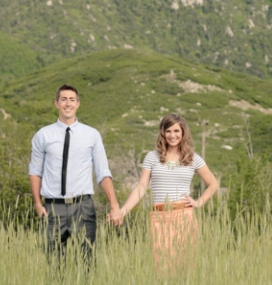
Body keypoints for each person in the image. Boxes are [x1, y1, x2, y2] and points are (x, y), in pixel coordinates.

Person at [113, 113, 218, 271]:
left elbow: (213, 184)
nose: (172, 135)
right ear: (162, 132)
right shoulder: (152, 157)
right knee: (162, 266)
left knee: (186, 265)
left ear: (183, 133)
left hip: (184, 216)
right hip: (158, 217)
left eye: (176, 131)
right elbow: (141, 187)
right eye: (168, 131)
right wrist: (123, 211)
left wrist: (198, 202)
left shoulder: (192, 158)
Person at [29, 84, 122, 261]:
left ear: (78, 104)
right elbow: (35, 171)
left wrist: (114, 205)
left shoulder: (92, 135)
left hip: (83, 206)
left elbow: (103, 172)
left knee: (86, 261)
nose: (68, 103)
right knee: (54, 264)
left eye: (72, 100)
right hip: (52, 208)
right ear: (56, 103)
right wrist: (38, 203)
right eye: (63, 99)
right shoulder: (43, 135)